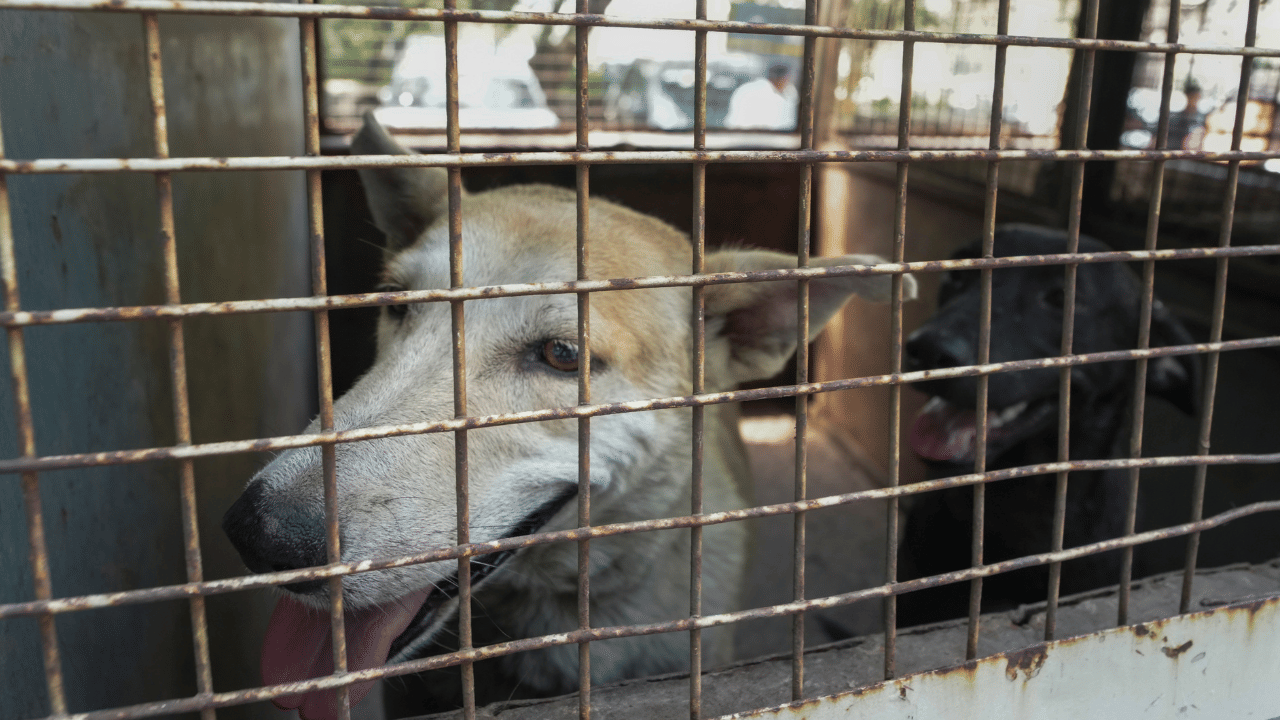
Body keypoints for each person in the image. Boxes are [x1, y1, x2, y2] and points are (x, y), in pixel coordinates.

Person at [723, 63, 798, 131]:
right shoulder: (767, 95)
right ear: (784, 79)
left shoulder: (745, 88)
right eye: (788, 79)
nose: (788, 83)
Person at [1167, 78, 1206, 151]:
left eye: (1195, 96)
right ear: (1187, 96)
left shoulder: (1204, 119)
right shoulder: (1174, 118)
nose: (1193, 99)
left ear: (1199, 97)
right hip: (1173, 154)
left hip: (1191, 157)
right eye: (1191, 96)